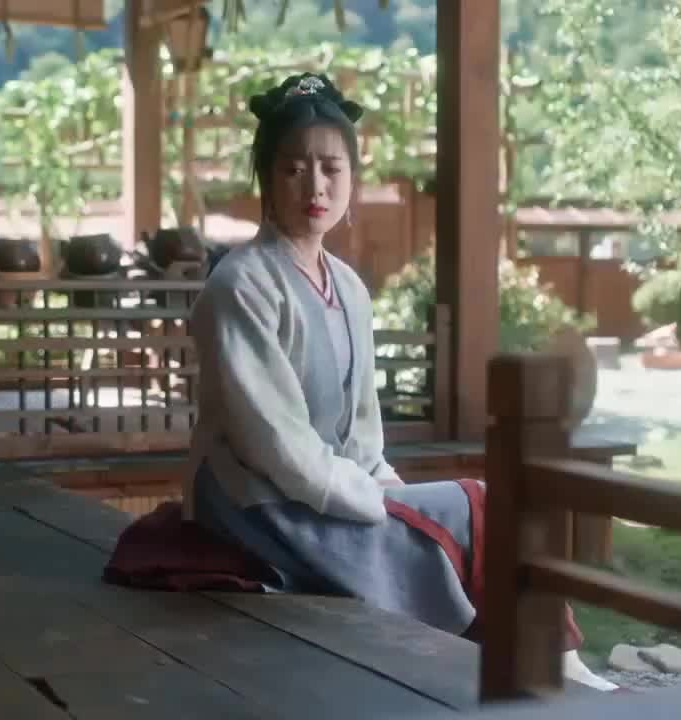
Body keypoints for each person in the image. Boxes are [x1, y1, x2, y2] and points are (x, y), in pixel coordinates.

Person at [183, 72, 617, 692]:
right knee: (475, 503)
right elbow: (272, 443)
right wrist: (371, 501)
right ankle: (548, 663)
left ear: (352, 180)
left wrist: (385, 486)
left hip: (331, 488)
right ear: (267, 180)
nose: (315, 186)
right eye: (294, 168)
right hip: (256, 502)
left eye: (332, 168)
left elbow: (363, 432)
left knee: (462, 512)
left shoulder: (349, 287)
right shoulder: (241, 285)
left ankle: (552, 661)